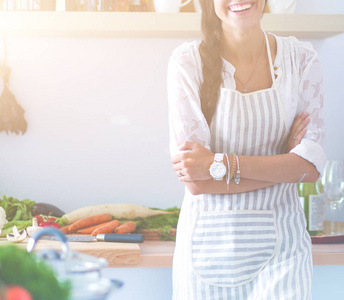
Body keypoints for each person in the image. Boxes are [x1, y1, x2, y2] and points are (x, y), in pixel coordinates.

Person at [167, 0, 326, 299]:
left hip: (285, 254)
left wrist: (220, 165)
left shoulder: (301, 59)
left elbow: (310, 168)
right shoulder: (187, 62)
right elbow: (196, 181)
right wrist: (285, 166)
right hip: (206, 253)